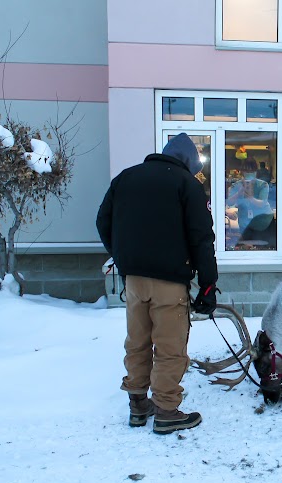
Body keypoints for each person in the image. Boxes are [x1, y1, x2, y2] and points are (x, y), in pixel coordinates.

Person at [96, 132, 218, 435]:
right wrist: (207, 286)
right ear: (188, 161)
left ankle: (138, 406)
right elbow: (202, 238)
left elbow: (103, 221)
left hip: (134, 282)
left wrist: (123, 257)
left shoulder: (126, 178)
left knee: (137, 342)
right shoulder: (187, 184)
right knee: (169, 347)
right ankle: (166, 411)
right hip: (169, 283)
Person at [227, 157, 275, 248]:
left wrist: (250, 198)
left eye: (251, 170)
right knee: (246, 248)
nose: (249, 173)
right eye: (246, 170)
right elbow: (229, 202)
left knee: (265, 248)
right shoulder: (236, 185)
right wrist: (239, 193)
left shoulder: (263, 185)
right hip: (245, 223)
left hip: (264, 221)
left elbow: (262, 203)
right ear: (242, 172)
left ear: (256, 172)